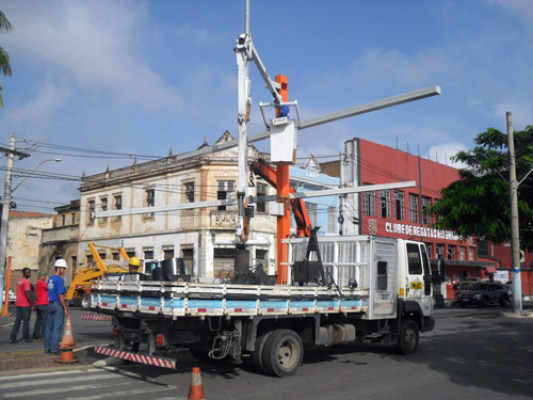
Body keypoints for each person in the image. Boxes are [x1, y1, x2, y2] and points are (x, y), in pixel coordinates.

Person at [44, 259, 69, 355]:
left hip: (50, 304)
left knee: (49, 327)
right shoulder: (59, 280)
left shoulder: (50, 279)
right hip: (57, 305)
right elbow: (60, 295)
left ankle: (47, 347)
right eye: (63, 268)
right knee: (57, 328)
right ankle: (54, 348)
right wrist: (65, 308)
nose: (64, 270)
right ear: (58, 268)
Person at [9, 267, 35, 343]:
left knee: (17, 321)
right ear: (24, 273)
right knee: (26, 321)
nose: (29, 274)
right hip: (25, 304)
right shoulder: (26, 282)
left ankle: (13, 337)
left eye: (29, 272)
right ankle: (25, 337)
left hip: (18, 303)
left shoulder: (19, 281)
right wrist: (32, 303)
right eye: (27, 272)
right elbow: (27, 293)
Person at [32, 272, 49, 340]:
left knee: (38, 320)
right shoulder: (43, 283)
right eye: (44, 276)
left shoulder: (37, 284)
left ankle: (36, 334)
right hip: (44, 303)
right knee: (45, 320)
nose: (45, 277)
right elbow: (49, 288)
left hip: (38, 303)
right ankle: (44, 334)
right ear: (40, 277)